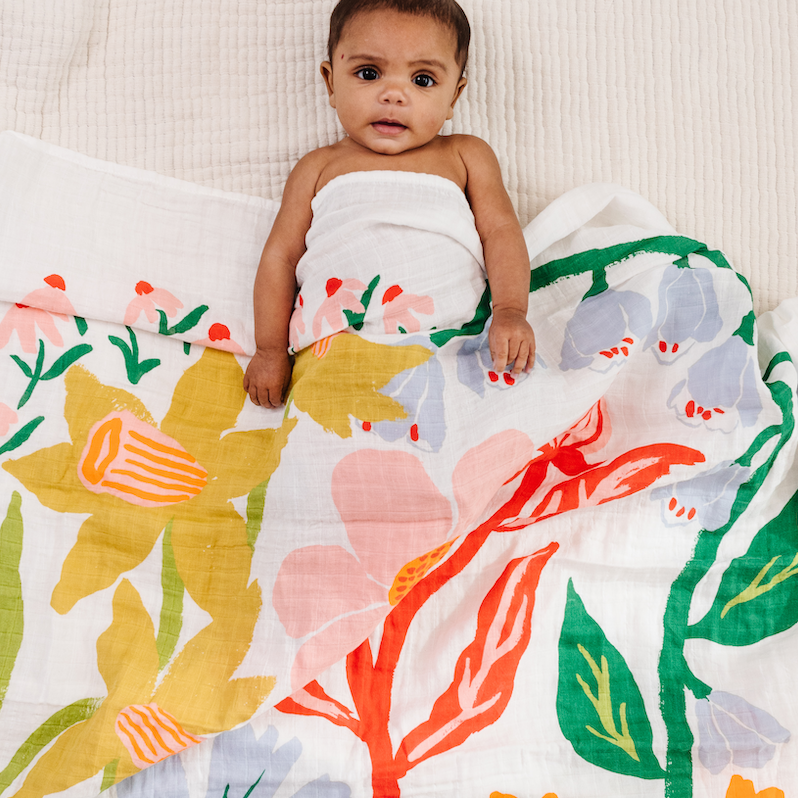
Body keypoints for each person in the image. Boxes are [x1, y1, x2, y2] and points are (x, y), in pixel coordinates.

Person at [243, 0, 535, 408]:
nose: (393, 95)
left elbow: (500, 232)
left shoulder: (465, 155)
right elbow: (280, 258)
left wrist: (511, 310)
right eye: (369, 73)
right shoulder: (317, 167)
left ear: (455, 95)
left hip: (451, 340)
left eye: (423, 80)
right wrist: (270, 349)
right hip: (340, 348)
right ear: (331, 82)